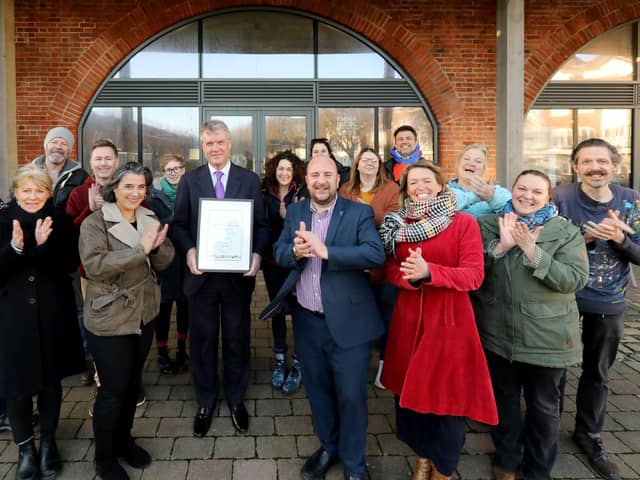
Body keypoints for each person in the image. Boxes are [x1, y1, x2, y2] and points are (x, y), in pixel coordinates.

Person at [268, 154, 385, 480]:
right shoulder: (295, 212)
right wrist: (294, 253)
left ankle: (354, 464)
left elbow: (375, 254)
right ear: (307, 180)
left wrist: (326, 251)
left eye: (328, 175)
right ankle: (329, 446)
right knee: (318, 392)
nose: (321, 180)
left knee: (350, 396)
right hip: (307, 321)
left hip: (350, 323)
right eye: (315, 174)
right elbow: (278, 251)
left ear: (338, 180)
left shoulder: (359, 212)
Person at [378, 159, 497, 480]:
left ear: (441, 185)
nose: (420, 188)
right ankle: (422, 459)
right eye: (413, 182)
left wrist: (430, 272)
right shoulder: (395, 225)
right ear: (405, 189)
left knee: (447, 402)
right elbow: (390, 268)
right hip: (407, 320)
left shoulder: (462, 224)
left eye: (427, 181)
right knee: (410, 400)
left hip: (450, 323)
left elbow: (474, 275)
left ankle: (443, 469)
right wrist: (410, 278)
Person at [473, 170, 589, 480]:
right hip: (498, 334)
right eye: (522, 188)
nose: (527, 195)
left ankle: (538, 469)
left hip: (547, 339)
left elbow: (574, 280)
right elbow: (472, 275)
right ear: (511, 191)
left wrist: (532, 251)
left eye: (537, 191)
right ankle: (507, 459)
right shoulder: (488, 224)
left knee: (543, 409)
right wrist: (501, 247)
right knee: (504, 402)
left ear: (548, 197)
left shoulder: (564, 231)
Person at [172, 120, 270, 437]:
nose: (215, 148)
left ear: (230, 144)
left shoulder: (249, 180)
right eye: (209, 144)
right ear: (203, 147)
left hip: (235, 279)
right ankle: (206, 400)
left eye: (220, 142)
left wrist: (256, 255)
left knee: (236, 339)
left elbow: (262, 226)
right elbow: (179, 225)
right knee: (202, 341)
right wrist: (188, 252)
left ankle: (236, 399)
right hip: (200, 277)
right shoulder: (190, 180)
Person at [79, 162, 174, 480]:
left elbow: (164, 259)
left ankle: (124, 441)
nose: (136, 193)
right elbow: (95, 265)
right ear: (114, 188)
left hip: (144, 314)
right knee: (113, 389)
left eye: (141, 187)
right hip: (110, 317)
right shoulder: (95, 223)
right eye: (129, 186)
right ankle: (104, 458)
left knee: (132, 383)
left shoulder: (149, 217)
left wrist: (158, 248)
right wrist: (140, 250)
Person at [553, 138, 640, 480]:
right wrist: (584, 238)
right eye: (586, 162)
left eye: (602, 161)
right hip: (563, 300)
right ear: (576, 168)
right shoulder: (561, 197)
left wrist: (619, 238)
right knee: (554, 370)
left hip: (610, 301)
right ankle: (547, 429)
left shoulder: (631, 201)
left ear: (614, 165)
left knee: (597, 373)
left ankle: (589, 434)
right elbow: (549, 244)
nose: (595, 167)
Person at [0, 165, 85, 480]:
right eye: (26, 190)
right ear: (16, 192)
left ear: (49, 193)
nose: (32, 196)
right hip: (13, 319)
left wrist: (44, 245)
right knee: (17, 387)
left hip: (52, 314)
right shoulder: (2, 221)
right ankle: (25, 449)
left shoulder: (60, 221)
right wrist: (17, 249)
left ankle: (48, 442)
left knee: (50, 383)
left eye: (39, 190)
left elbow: (69, 265)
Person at [339, 147, 400, 389]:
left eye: (373, 160)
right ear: (356, 165)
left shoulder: (391, 189)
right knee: (356, 318)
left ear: (379, 165)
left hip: (383, 265)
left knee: (386, 316)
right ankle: (356, 364)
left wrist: (362, 212)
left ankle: (385, 363)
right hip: (353, 266)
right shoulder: (346, 190)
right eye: (364, 160)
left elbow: (394, 218)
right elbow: (339, 219)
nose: (369, 164)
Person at [66, 138, 121, 387]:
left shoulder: (128, 188)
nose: (103, 163)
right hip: (89, 272)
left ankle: (125, 372)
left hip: (123, 270)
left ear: (116, 161)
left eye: (108, 158)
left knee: (121, 320)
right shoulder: (78, 193)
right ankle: (94, 365)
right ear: (91, 162)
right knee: (91, 320)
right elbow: (66, 237)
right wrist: (88, 211)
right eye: (98, 158)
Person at [261, 150, 306, 394]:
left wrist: (290, 217)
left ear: (294, 172)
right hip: (271, 261)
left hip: (295, 261)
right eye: (280, 169)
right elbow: (260, 223)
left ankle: (298, 363)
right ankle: (280, 359)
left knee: (298, 309)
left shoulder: (301, 193)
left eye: (288, 169)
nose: (284, 173)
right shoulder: (264, 192)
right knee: (277, 308)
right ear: (274, 170)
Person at [148, 153, 190, 374]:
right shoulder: (154, 197)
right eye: (169, 170)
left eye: (177, 168)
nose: (173, 173)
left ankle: (182, 348)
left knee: (185, 306)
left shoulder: (191, 191)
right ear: (163, 173)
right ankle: (162, 352)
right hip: (164, 259)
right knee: (163, 308)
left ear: (184, 169)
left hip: (185, 257)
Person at [32, 127, 89, 209]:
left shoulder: (81, 176)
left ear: (69, 150)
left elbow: (84, 207)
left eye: (64, 144)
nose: (58, 146)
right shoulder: (29, 172)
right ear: (46, 146)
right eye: (54, 142)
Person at [447, 144, 511, 217]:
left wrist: (492, 197)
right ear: (458, 164)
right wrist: (479, 195)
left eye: (478, 161)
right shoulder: (443, 189)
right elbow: (445, 204)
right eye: (466, 159)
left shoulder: (496, 191)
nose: (471, 164)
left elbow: (511, 207)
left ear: (484, 169)